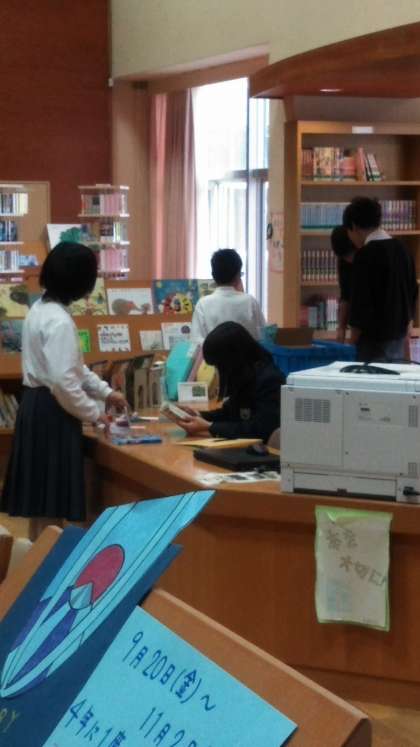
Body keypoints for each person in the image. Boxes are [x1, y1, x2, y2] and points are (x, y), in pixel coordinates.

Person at [1, 242, 126, 538]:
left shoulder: (39, 309)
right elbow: (64, 382)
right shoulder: (60, 322)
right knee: (51, 504)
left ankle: (38, 555)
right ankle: (47, 560)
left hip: (36, 406)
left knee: (43, 504)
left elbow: (73, 369)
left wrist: (105, 392)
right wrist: (96, 414)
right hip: (51, 412)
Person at [173, 321, 284, 442]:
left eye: (219, 365)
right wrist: (200, 415)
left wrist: (209, 426)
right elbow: (231, 411)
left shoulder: (269, 381)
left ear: (231, 360)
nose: (219, 371)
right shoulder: (245, 375)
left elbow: (261, 429)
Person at [342, 197, 418, 362]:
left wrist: (350, 345)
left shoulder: (365, 255)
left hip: (372, 345)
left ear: (353, 226)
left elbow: (360, 306)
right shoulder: (403, 250)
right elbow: (412, 294)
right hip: (399, 342)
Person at [191, 248, 266, 341]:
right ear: (238, 275)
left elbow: (196, 341)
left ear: (213, 275)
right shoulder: (250, 301)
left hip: (214, 351)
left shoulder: (202, 304)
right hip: (246, 350)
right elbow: (263, 336)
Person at [330, 223, 356, 344]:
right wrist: (341, 329)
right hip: (356, 322)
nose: (349, 259)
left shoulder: (367, 258)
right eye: (344, 257)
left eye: (349, 255)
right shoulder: (343, 262)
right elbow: (345, 296)